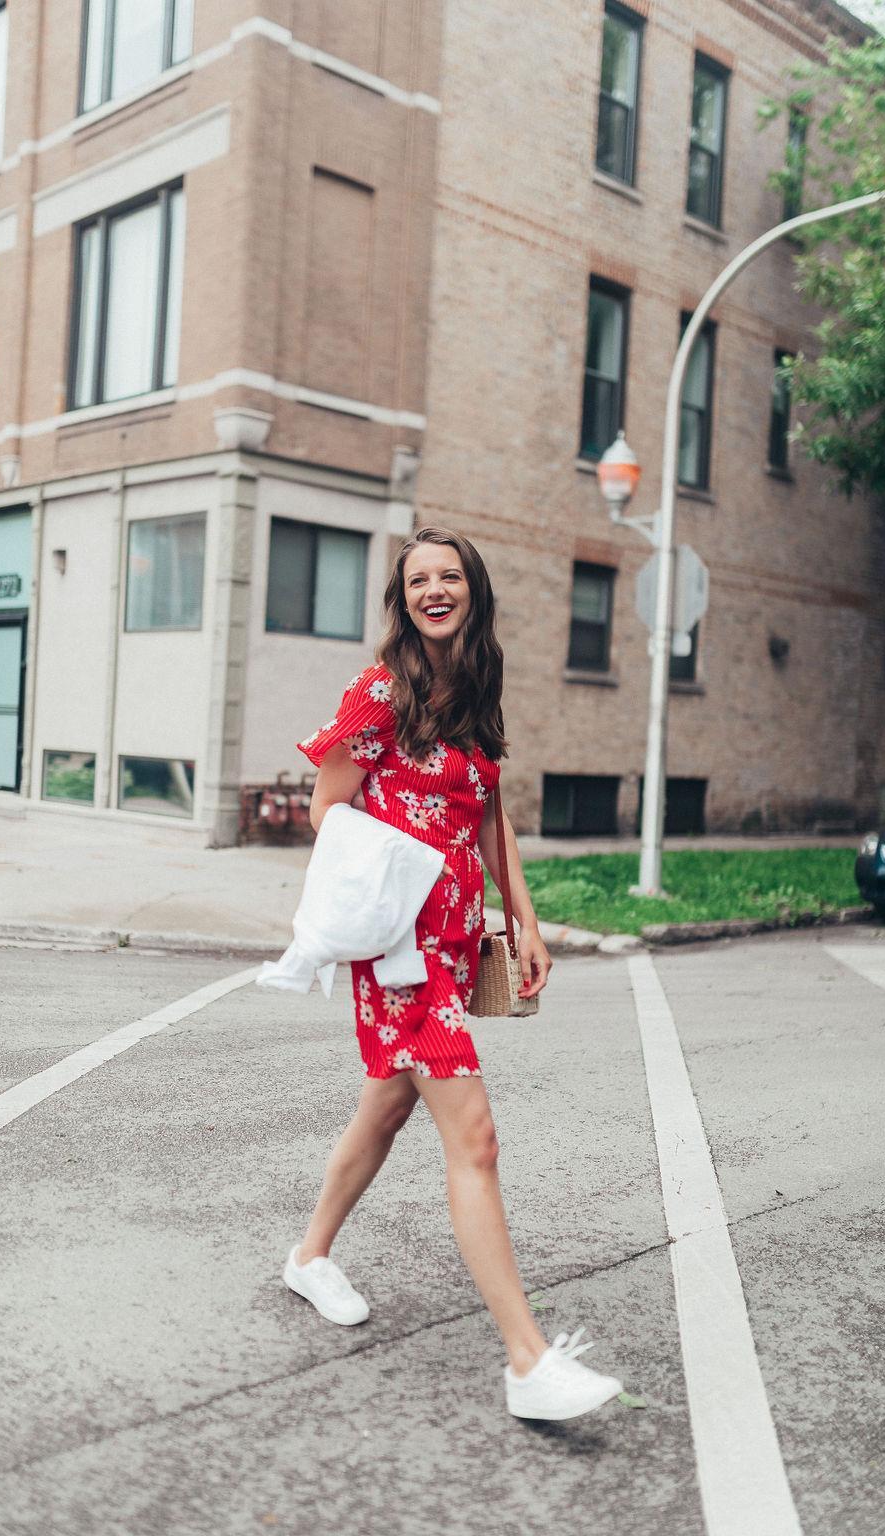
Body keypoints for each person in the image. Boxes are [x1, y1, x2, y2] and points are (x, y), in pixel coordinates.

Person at [282, 526, 622, 1420]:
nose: (435, 590)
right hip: (398, 953)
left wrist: (526, 920)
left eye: (450, 576)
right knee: (476, 1140)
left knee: (389, 1106)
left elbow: (489, 817)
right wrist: (398, 885)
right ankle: (528, 1361)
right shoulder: (380, 690)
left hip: (456, 942)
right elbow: (327, 809)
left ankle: (309, 1255)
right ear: (403, 597)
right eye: (419, 579)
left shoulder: (475, 684)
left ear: (472, 589)